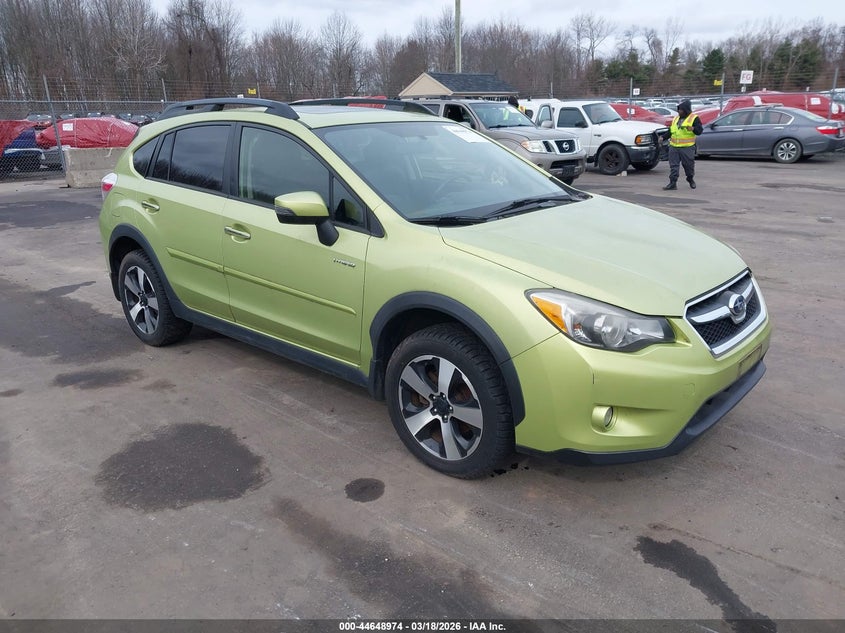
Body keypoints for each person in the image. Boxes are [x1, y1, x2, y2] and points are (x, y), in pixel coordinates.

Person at [662, 99, 703, 190]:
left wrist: (693, 128)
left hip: (687, 147)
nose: (679, 111)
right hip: (674, 146)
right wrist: (663, 137)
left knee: (688, 166)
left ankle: (690, 179)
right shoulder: (676, 118)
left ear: (686, 110)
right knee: (674, 166)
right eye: (678, 110)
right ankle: (673, 183)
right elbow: (671, 131)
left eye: (681, 110)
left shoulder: (694, 118)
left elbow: (699, 131)